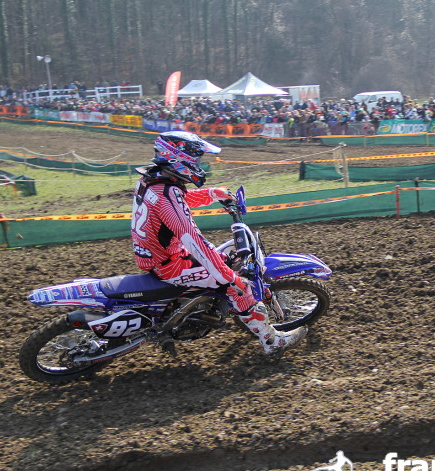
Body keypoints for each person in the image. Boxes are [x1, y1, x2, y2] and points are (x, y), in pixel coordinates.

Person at [130, 131, 307, 355]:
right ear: (178, 158)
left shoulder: (152, 180)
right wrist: (230, 277)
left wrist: (213, 194)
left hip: (156, 254)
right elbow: (194, 241)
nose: (198, 165)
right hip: (171, 264)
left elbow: (179, 201)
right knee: (240, 287)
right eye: (196, 160)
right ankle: (272, 342)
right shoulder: (165, 194)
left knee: (223, 259)